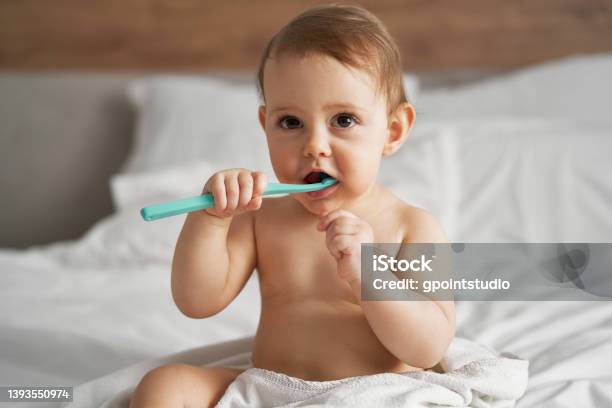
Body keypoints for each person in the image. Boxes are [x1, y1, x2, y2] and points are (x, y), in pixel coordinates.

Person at [130, 4, 455, 407]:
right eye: (290, 123)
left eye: (343, 120)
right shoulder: (262, 217)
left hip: (372, 394)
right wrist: (211, 220)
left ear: (392, 131)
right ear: (265, 124)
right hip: (271, 389)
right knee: (165, 386)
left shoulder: (412, 227)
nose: (314, 145)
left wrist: (368, 275)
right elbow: (197, 301)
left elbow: (427, 348)